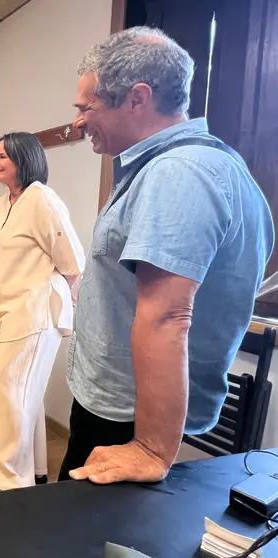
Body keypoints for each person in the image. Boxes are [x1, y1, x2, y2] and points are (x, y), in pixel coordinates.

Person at [61, 27, 274, 485]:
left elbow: (167, 316)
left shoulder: (180, 175)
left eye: (86, 107)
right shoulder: (188, 168)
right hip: (119, 409)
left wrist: (149, 449)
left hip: (128, 422)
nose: (78, 122)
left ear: (137, 98)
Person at [0, 132, 85, 491]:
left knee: (11, 397)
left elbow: (73, 260)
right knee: (24, 396)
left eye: (2, 157)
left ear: (23, 160)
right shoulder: (2, 203)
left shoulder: (42, 199)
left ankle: (6, 482)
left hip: (36, 314)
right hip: (9, 311)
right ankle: (33, 470)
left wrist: (62, 295)